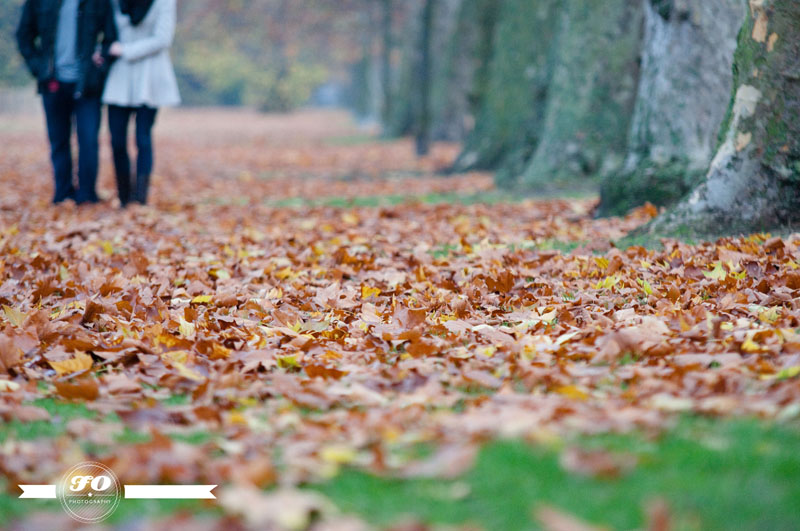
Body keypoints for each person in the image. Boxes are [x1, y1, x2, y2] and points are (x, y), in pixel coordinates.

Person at [16, 0, 117, 205]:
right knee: (58, 141)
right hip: (53, 83)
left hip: (87, 84)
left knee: (88, 140)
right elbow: (23, 36)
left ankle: (87, 196)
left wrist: (100, 66)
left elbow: (111, 38)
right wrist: (39, 68)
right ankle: (63, 194)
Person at [103, 0, 180, 207]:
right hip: (120, 78)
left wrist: (126, 50)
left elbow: (163, 39)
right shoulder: (115, 3)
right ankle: (124, 197)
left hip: (150, 78)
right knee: (117, 140)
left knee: (142, 138)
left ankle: (140, 198)